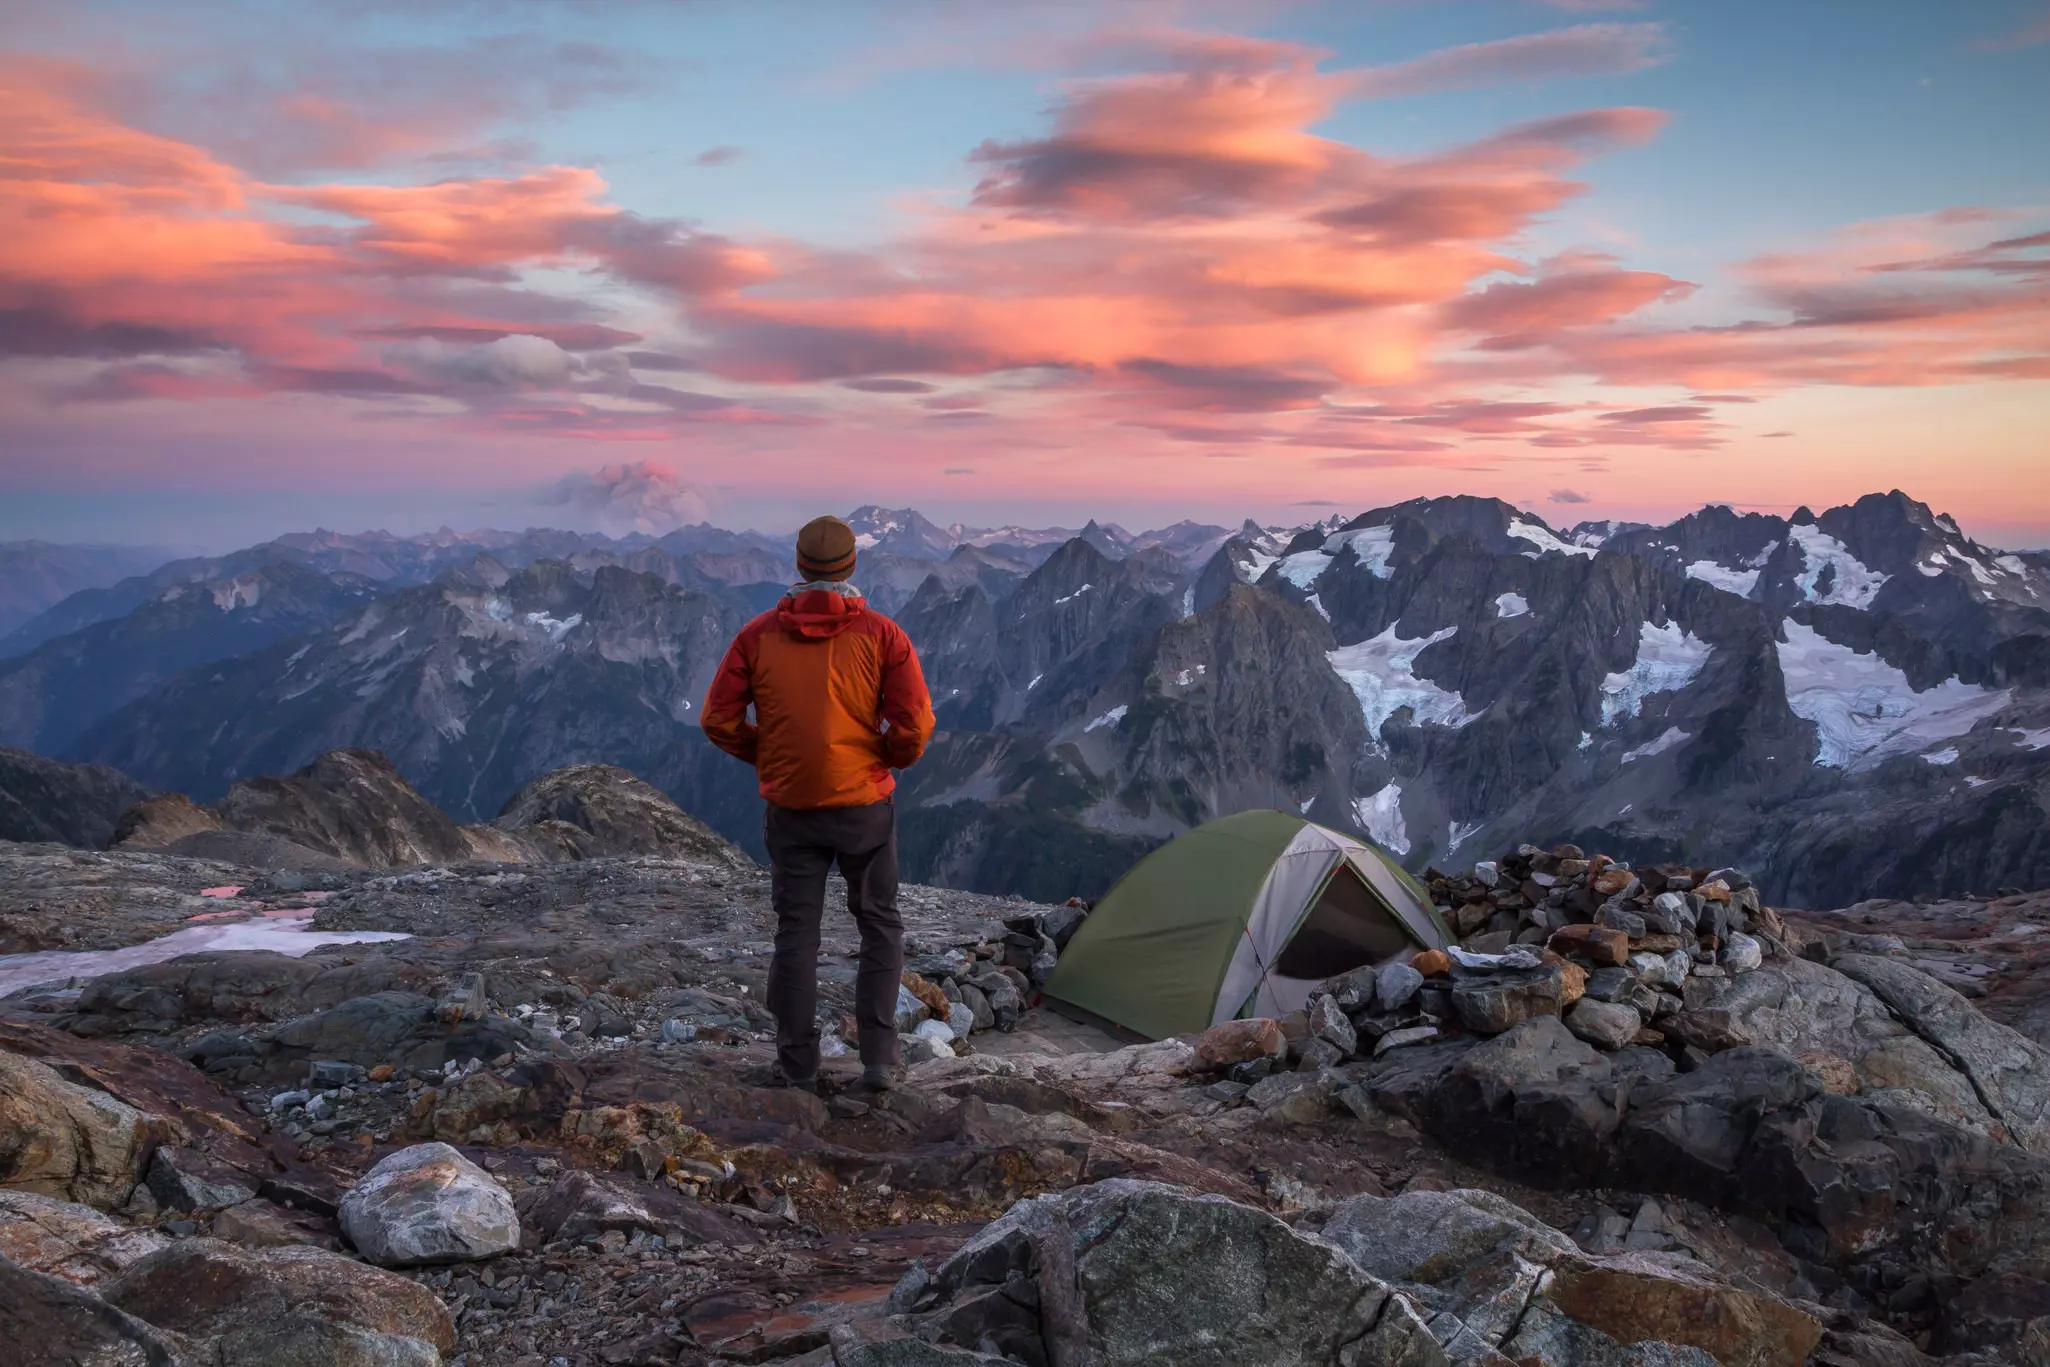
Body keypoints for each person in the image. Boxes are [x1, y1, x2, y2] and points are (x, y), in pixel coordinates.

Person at [701, 515, 935, 1093]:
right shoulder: (884, 635)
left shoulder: (756, 636)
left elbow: (718, 719)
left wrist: (769, 756)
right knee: (879, 924)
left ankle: (798, 1066)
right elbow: (915, 723)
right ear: (852, 565)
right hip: (863, 807)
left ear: (800, 566)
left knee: (797, 930)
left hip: (792, 810)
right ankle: (880, 1058)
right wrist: (884, 757)